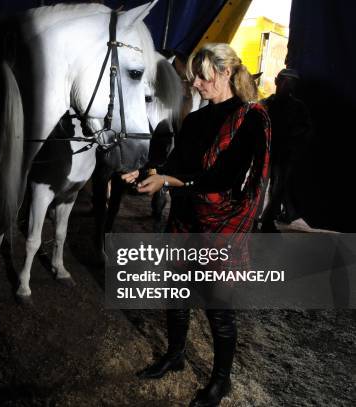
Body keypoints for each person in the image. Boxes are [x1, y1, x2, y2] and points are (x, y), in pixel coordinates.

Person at [122, 43, 271, 407]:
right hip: (186, 216)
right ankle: (175, 356)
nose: (196, 85)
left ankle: (221, 382)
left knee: (218, 308)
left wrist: (170, 183)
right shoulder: (196, 119)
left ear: (224, 73)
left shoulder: (251, 118)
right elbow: (175, 162)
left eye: (201, 78)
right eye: (193, 79)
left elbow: (220, 178)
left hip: (220, 224)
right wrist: (144, 172)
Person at [260, 68, 313, 231]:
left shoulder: (298, 108)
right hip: (266, 154)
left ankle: (267, 221)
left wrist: (292, 143)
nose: (287, 86)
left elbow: (306, 130)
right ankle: (253, 219)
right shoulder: (266, 104)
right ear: (277, 81)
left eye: (291, 83)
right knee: (259, 187)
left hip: (284, 155)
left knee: (278, 189)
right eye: (284, 81)